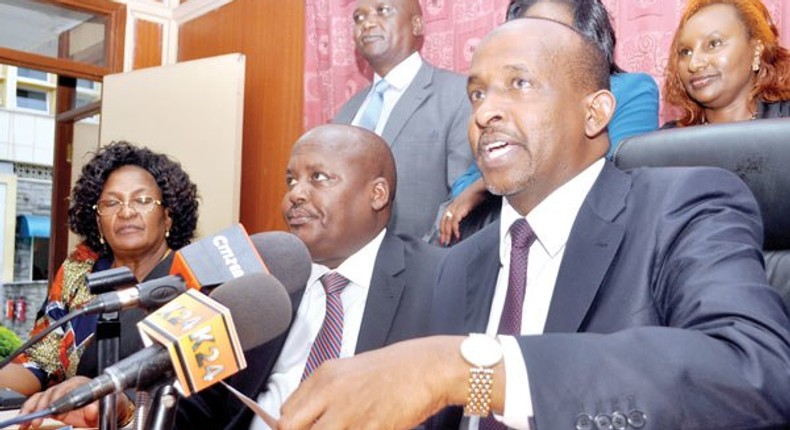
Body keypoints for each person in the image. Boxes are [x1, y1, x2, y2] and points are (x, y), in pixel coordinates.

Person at [277, 18, 790, 430]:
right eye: (476, 94)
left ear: (596, 113)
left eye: (519, 84)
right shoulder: (456, 265)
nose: (485, 113)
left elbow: (754, 373)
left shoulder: (684, 205)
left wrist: (470, 369)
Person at [175, 124, 445, 429]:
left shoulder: (439, 279)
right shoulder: (256, 274)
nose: (296, 194)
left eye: (319, 178)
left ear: (377, 194)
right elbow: (193, 404)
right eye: (291, 180)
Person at [0, 141, 199, 428]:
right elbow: (38, 364)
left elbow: (199, 392)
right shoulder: (77, 272)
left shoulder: (192, 279)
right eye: (111, 202)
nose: (126, 212)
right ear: (98, 219)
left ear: (167, 215)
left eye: (142, 201)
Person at [436, 0, 659, 246]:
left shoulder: (631, 89)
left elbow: (610, 169)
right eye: (477, 95)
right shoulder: (498, 108)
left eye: (549, 29)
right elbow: (464, 184)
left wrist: (480, 189)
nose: (485, 113)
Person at [333, 0, 473, 239]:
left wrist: (429, 264)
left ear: (417, 24)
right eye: (358, 17)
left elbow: (463, 198)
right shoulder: (346, 113)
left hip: (424, 266)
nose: (367, 23)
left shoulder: (458, 95)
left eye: (383, 11)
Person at [663, 0, 790, 127]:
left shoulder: (784, 121)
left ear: (756, 50)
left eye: (714, 44)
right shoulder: (665, 142)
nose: (694, 64)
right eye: (685, 52)